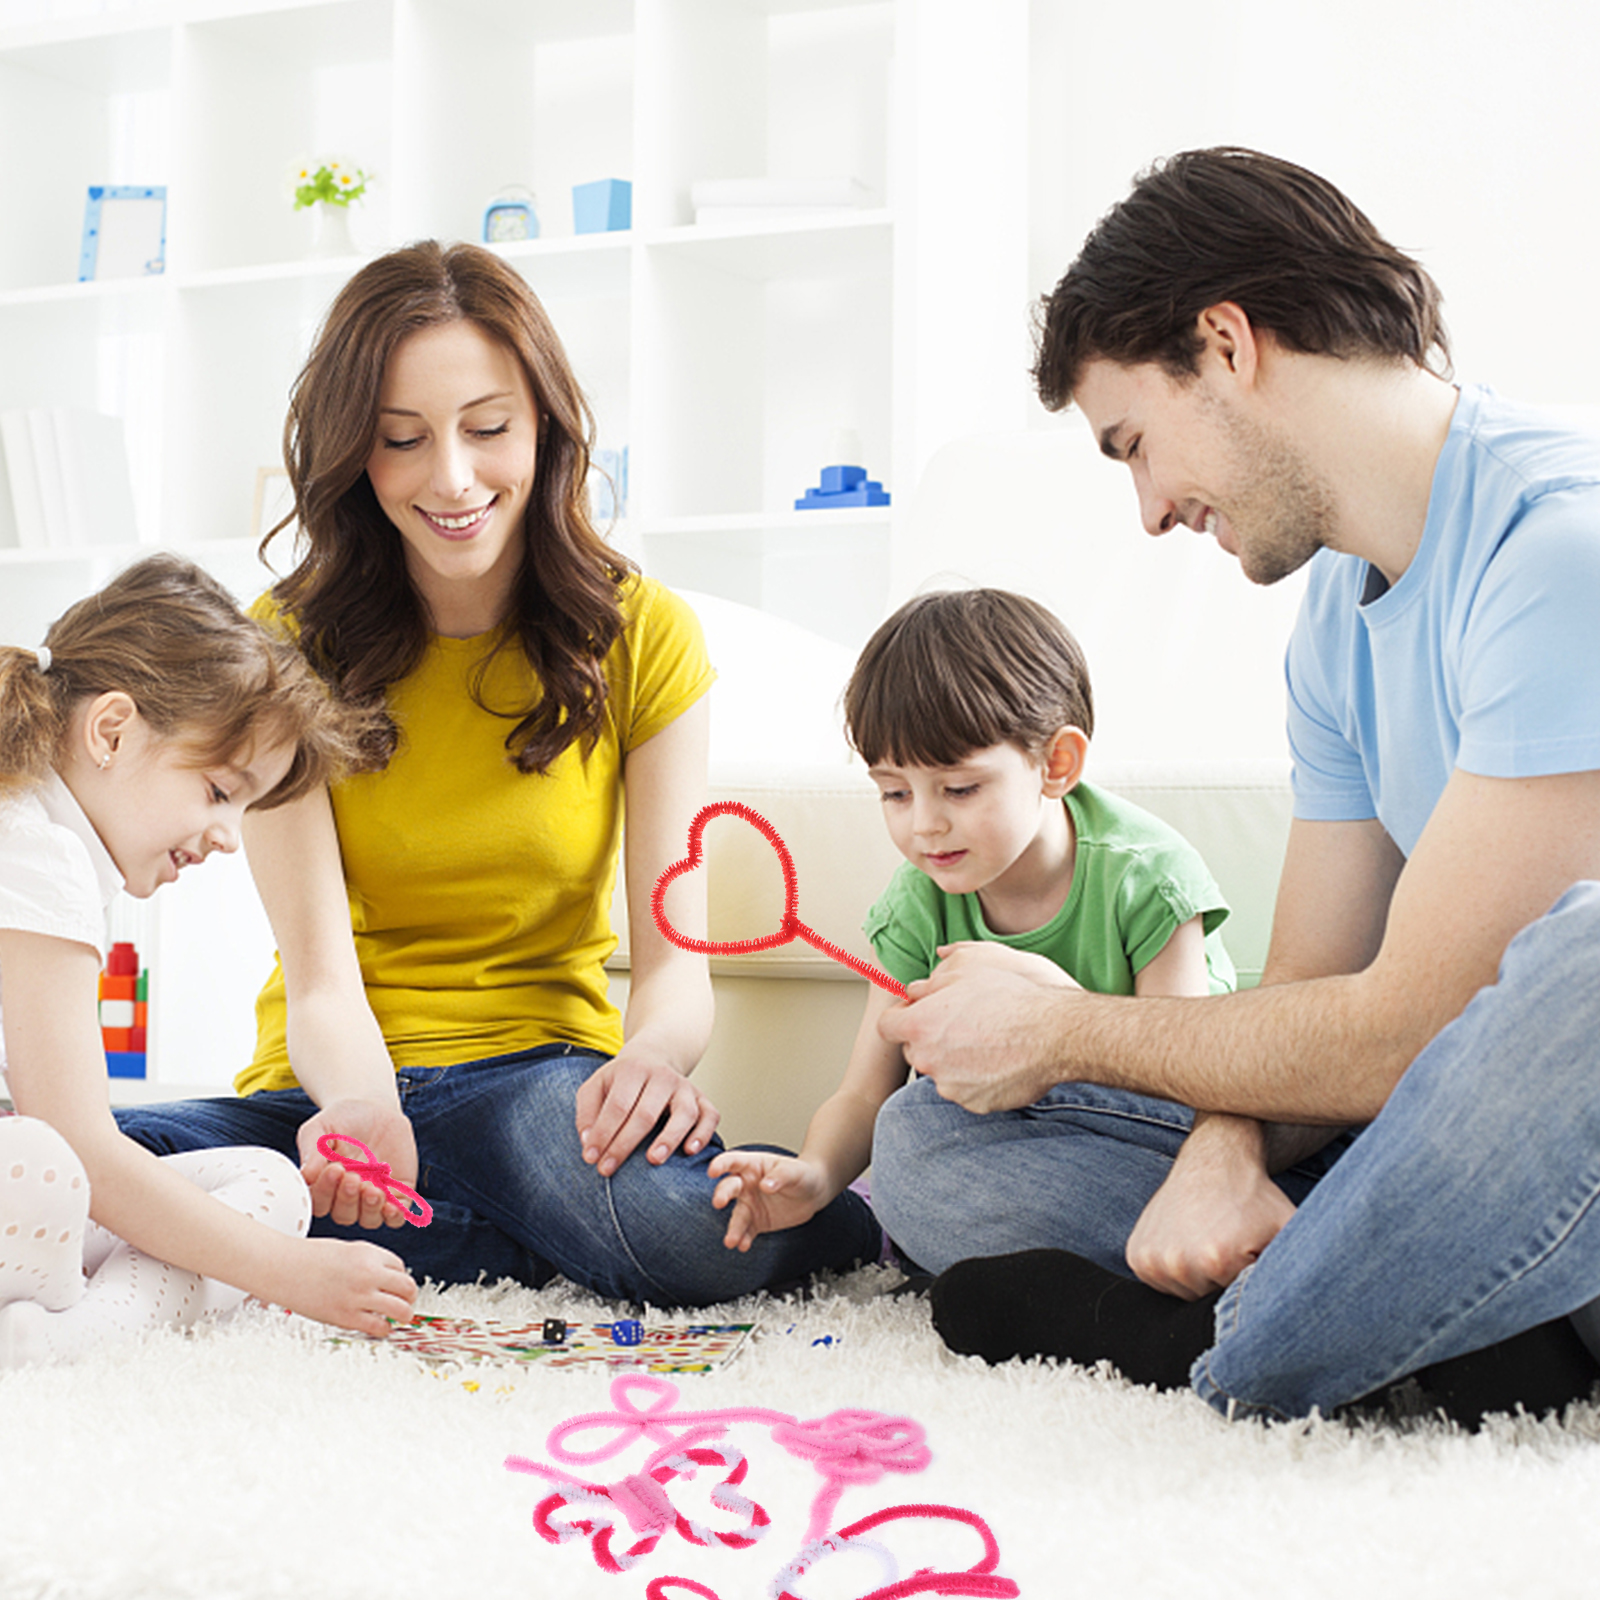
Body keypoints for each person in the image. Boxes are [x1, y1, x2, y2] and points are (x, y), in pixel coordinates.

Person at [881, 148, 1600, 1424]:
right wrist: (1222, 1150)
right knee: (931, 1145)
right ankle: (1447, 1316)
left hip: (1554, 1102)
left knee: (1587, 969)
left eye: (1135, 445)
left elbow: (1403, 1029)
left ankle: (1217, 1340)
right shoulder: (1335, 616)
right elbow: (1313, 983)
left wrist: (1062, 1029)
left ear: (1224, 345)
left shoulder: (1559, 550)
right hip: (1451, 1140)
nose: (1151, 510)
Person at [115, 241, 878, 1306]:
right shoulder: (284, 645)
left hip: (540, 1091)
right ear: (355, 452)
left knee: (683, 1233)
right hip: (332, 1091)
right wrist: (364, 1112)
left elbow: (675, 963)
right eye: (402, 439)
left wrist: (654, 1061)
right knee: (86, 1161)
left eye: (487, 429)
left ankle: (424, 1228)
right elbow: (321, 979)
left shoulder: (643, 634)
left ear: (545, 428)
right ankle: (491, 1234)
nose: (452, 478)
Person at [710, 587, 1235, 1261]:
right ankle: (1110, 1266)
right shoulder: (916, 903)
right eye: (894, 792)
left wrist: (1051, 1007)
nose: (925, 823)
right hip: (1026, 1152)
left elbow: (1185, 1081)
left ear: (1056, 765)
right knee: (909, 1133)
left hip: (1162, 1140)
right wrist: (815, 1175)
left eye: (959, 789)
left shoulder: (1147, 877)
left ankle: (1128, 1257)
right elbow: (866, 1093)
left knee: (923, 1147)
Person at [0, 554, 418, 1365]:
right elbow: (81, 1146)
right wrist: (291, 1273)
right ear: (110, 731)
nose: (229, 836)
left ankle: (57, 1330)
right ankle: (49, 1334)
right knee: (47, 1166)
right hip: (33, 1172)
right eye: (222, 792)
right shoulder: (36, 852)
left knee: (268, 1182)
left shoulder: (51, 844)